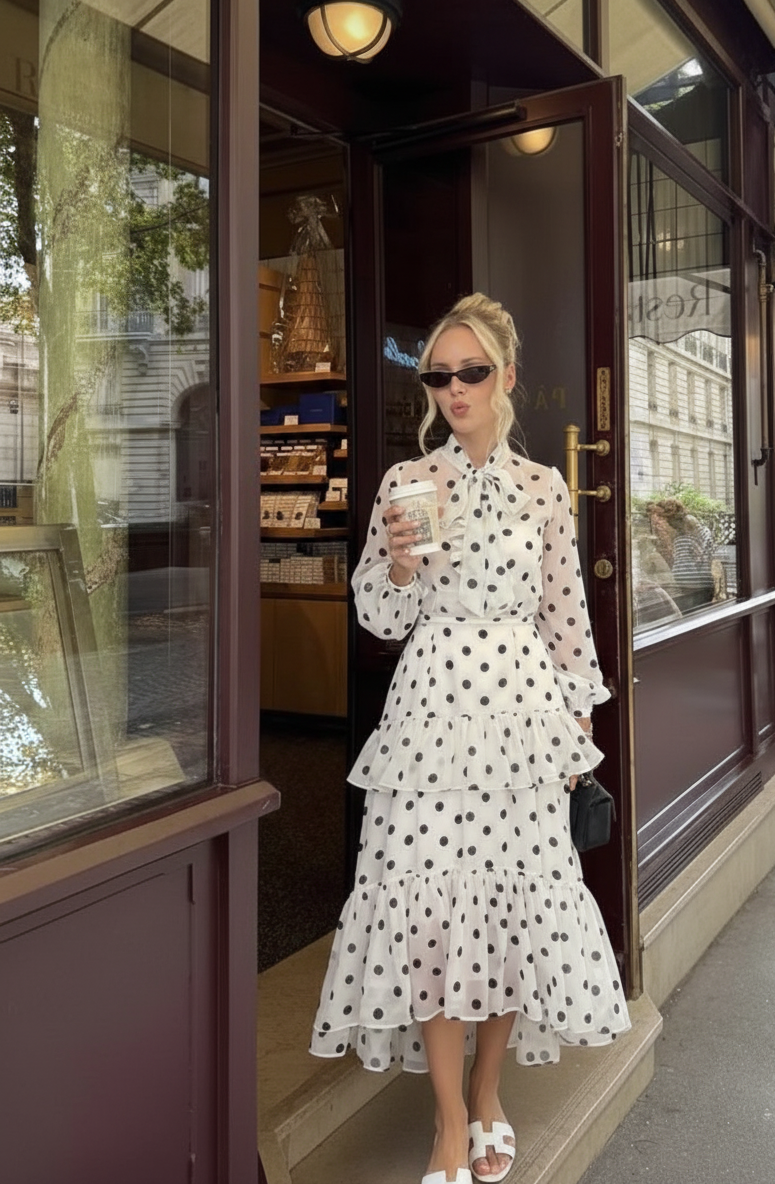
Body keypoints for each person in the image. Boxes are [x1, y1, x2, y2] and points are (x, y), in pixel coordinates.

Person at [310, 294, 630, 1184]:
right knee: (425, 910)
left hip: (525, 718)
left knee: (514, 905)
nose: (454, 388)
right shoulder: (405, 484)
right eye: (438, 375)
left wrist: (577, 733)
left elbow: (566, 618)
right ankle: (449, 1121)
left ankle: (489, 1095)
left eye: (471, 372)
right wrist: (401, 566)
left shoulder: (543, 487)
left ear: (506, 378)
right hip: (431, 714)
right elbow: (378, 614)